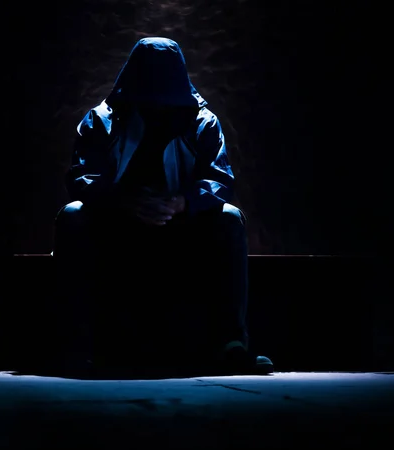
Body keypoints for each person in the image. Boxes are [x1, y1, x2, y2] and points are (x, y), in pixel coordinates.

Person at [53, 37, 273, 376]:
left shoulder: (203, 122)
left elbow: (220, 179)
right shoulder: (101, 120)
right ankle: (74, 346)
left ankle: (232, 344)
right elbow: (81, 176)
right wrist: (123, 202)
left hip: (182, 225)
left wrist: (183, 202)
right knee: (71, 217)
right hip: (118, 224)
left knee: (230, 219)